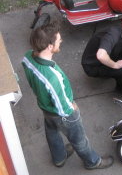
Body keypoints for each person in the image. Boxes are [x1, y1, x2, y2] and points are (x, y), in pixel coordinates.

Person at [21, 21, 114, 170]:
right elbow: (61, 106)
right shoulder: (52, 77)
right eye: (59, 40)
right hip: (62, 114)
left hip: (45, 109)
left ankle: (59, 158)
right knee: (79, 140)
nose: (61, 41)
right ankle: (93, 162)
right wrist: (72, 108)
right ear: (50, 47)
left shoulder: (27, 57)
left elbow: (32, 80)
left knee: (52, 133)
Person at [81, 12, 122, 91]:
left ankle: (112, 68)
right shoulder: (113, 33)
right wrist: (115, 65)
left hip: (110, 55)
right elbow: (101, 55)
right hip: (93, 65)